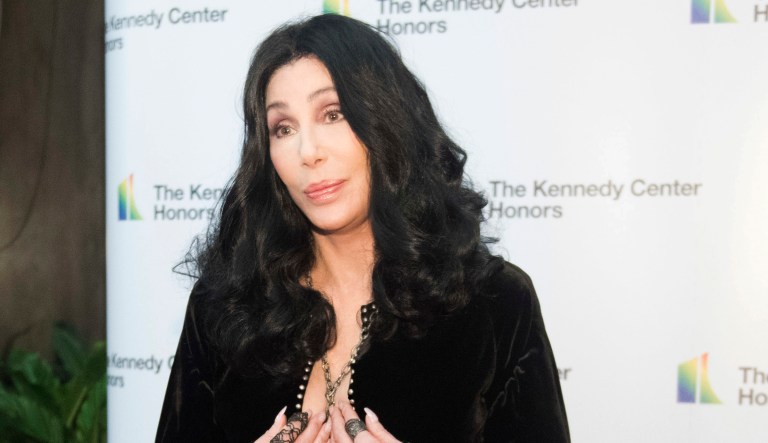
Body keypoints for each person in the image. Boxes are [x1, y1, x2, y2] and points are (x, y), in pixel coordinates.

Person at [156, 13, 569, 443]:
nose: (308, 151)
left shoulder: (494, 306)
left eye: (332, 114)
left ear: (386, 123)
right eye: (283, 127)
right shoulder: (225, 308)